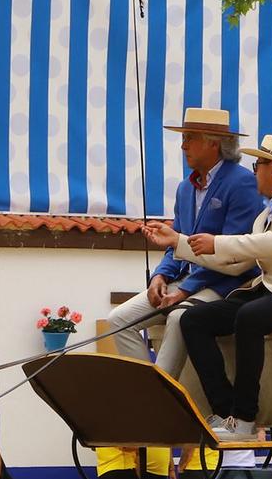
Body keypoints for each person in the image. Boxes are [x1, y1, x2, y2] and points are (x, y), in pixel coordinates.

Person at [152, 134, 272, 442]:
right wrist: (178, 242)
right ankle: (227, 412)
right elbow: (236, 260)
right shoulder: (269, 209)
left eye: (257, 164)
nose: (253, 170)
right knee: (194, 319)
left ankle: (245, 417)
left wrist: (217, 241)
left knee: (250, 317)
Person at [99, 106, 263, 381]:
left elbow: (231, 253)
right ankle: (153, 390)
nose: (183, 144)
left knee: (177, 318)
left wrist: (184, 291)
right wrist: (160, 276)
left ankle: (160, 399)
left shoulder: (242, 182)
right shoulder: (185, 188)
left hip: (224, 284)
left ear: (214, 143)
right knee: (118, 320)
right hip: (187, 280)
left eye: (190, 137)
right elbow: (175, 242)